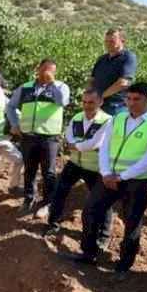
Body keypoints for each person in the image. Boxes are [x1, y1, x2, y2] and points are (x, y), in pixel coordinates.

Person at [78, 82, 147, 282]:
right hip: (109, 176)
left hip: (137, 181)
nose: (131, 103)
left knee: (132, 222)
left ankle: (124, 265)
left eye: (137, 99)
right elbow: (105, 146)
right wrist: (105, 173)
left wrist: (122, 176)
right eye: (129, 98)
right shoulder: (118, 118)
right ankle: (89, 253)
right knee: (90, 210)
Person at [44, 89, 113, 249]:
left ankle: (103, 236)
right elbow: (68, 136)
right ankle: (53, 224)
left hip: (95, 167)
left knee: (103, 201)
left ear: (100, 102)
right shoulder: (77, 117)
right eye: (84, 102)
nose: (87, 105)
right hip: (75, 163)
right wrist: (77, 146)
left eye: (91, 102)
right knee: (59, 191)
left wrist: (76, 146)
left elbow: (96, 143)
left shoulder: (108, 121)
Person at [8, 59, 71, 212]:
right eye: (44, 69)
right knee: (29, 170)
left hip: (49, 137)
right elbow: (10, 106)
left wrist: (52, 83)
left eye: (51, 70)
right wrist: (14, 124)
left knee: (48, 171)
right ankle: (29, 199)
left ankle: (48, 203)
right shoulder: (26, 87)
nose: (47, 73)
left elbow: (62, 101)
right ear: (38, 69)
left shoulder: (61, 87)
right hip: (28, 136)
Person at [89, 28, 139, 116]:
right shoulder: (102, 59)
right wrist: (89, 96)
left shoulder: (128, 57)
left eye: (112, 41)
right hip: (97, 105)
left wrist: (101, 96)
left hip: (116, 106)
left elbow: (123, 83)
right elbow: (92, 80)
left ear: (122, 41)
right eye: (106, 41)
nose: (108, 44)